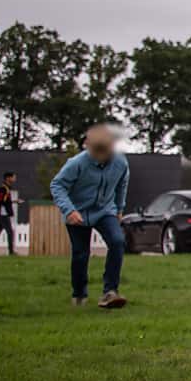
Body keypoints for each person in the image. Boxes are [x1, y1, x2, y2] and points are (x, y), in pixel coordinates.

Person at [49, 124, 130, 308]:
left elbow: (121, 185)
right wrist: (69, 210)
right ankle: (79, 295)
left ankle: (110, 292)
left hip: (105, 210)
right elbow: (57, 186)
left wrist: (119, 209)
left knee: (117, 242)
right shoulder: (76, 163)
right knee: (80, 254)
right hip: (77, 212)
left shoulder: (120, 163)